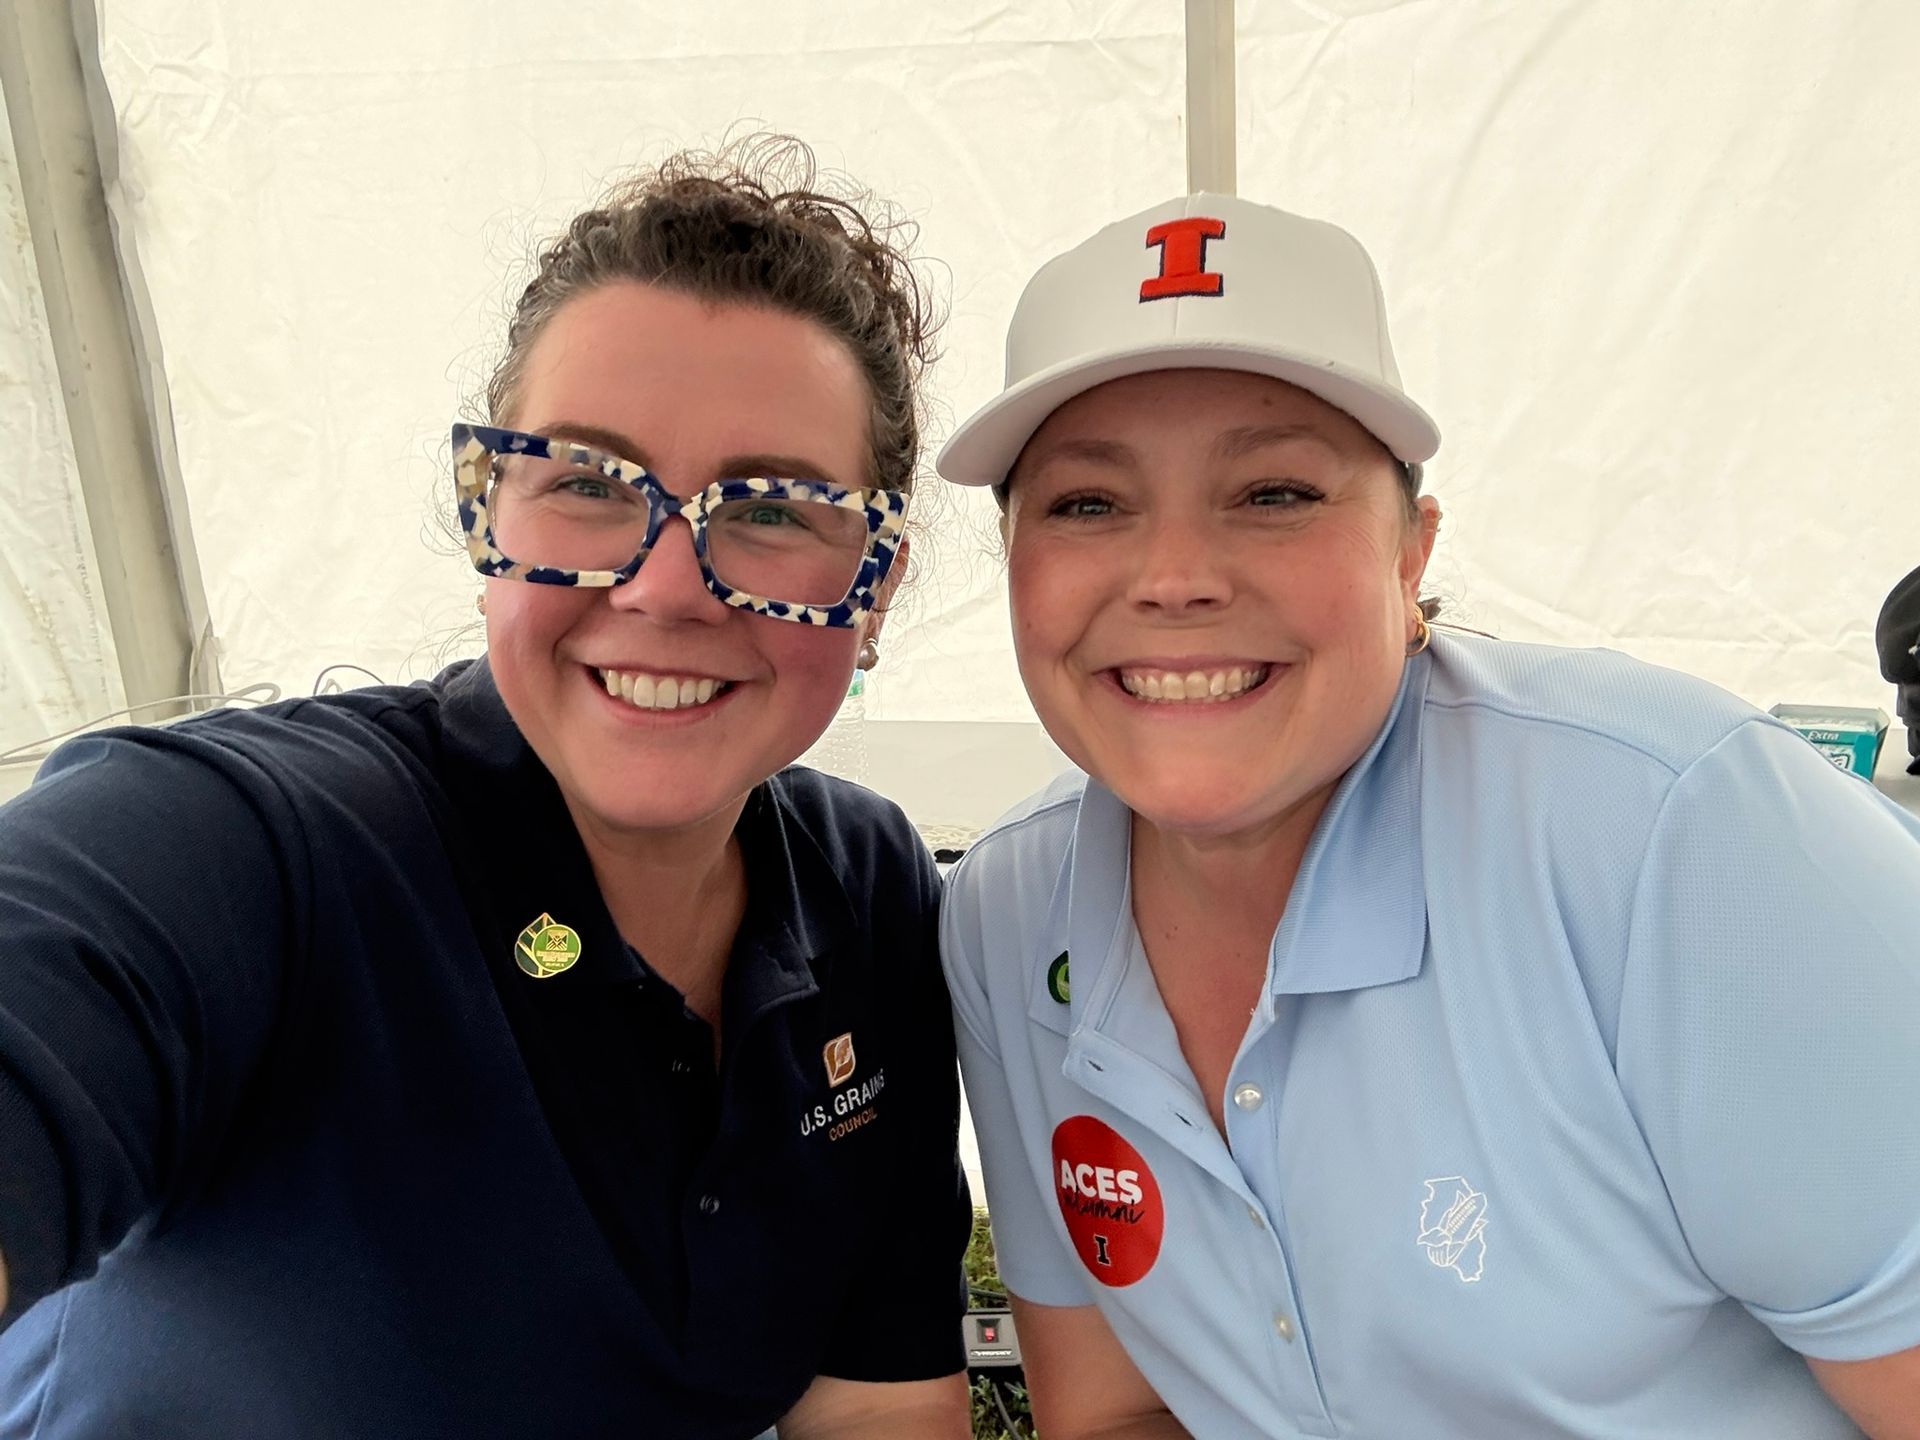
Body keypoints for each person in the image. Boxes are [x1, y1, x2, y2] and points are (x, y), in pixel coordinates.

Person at [0, 137, 971, 1439]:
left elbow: (873, 1407)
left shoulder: (866, 890)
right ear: (491, 518)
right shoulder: (256, 849)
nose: (666, 586)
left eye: (776, 509)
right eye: (586, 483)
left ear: (876, 583)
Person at [936, 193, 1920, 1439]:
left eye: (1275, 492)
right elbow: (1121, 1410)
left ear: (1411, 559)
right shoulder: (1007, 916)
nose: (1176, 576)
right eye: (1087, 504)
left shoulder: (1679, 837)